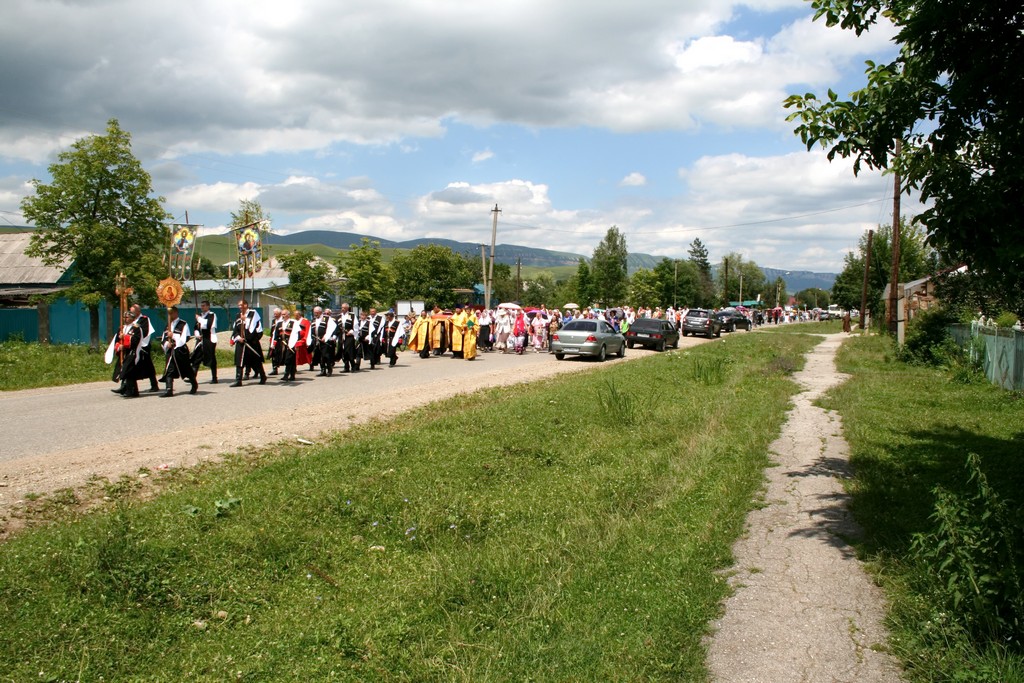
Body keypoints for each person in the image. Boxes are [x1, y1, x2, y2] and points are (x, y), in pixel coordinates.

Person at [160, 306, 198, 397]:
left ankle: (194, 384)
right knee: (169, 369)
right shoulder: (167, 325)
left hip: (180, 351)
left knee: (186, 369)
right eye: (169, 313)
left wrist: (173, 336)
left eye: (171, 313)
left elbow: (185, 337)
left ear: (176, 313)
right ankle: (169, 389)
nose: (170, 315)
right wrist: (166, 344)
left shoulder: (183, 324)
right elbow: (163, 338)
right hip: (170, 350)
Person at [230, 299, 267, 386]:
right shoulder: (237, 316)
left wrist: (245, 320)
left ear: (246, 305)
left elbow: (253, 327)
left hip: (251, 342)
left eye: (241, 305)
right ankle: (238, 380)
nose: (240, 307)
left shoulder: (253, 313)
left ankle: (262, 376)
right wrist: (238, 337)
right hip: (241, 342)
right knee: (239, 361)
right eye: (238, 305)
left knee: (256, 361)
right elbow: (235, 330)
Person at [129, 304, 161, 391]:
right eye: (130, 312)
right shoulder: (131, 320)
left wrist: (134, 326)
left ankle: (154, 384)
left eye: (133, 312)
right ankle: (127, 386)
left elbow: (145, 331)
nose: (131, 314)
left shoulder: (144, 319)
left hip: (143, 345)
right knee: (129, 365)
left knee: (148, 365)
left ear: (138, 312)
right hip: (134, 345)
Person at [191, 300, 218, 384]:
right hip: (201, 339)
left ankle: (214, 377)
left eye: (204, 306)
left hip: (209, 338)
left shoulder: (212, 315)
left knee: (211, 357)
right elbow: (196, 327)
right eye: (201, 305)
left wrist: (199, 319)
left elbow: (208, 325)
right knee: (196, 357)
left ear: (208, 306)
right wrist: (197, 334)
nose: (202, 307)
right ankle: (192, 377)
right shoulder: (201, 316)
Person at [308, 306, 338, 376]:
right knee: (320, 356)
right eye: (314, 312)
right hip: (317, 341)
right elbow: (310, 331)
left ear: (320, 312)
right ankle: (323, 370)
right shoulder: (313, 320)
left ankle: (329, 369)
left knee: (326, 356)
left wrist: (326, 336)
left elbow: (331, 327)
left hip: (325, 341)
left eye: (317, 312)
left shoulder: (327, 318)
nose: (315, 314)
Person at [336, 303, 359, 372]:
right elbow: (337, 327)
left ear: (347, 308)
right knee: (343, 351)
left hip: (349, 336)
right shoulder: (339, 316)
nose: (343, 309)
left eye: (344, 308)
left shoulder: (352, 315)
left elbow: (356, 326)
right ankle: (346, 367)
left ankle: (353, 365)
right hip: (341, 336)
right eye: (342, 307)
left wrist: (352, 332)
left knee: (349, 351)